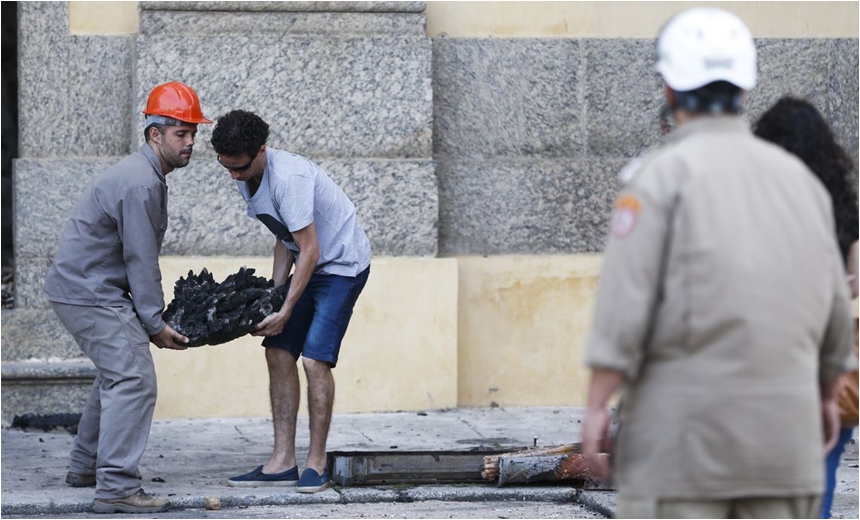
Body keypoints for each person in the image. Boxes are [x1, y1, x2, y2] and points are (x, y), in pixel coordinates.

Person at [580, 7, 856, 519]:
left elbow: (624, 306)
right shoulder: (801, 183)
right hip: (785, 445)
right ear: (745, 91)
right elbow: (834, 311)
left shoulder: (657, 179)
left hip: (685, 450)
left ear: (668, 89)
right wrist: (824, 391)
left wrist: (598, 404)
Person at [43, 82, 210, 514]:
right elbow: (140, 257)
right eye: (180, 132)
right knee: (134, 379)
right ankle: (116, 488)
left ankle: (86, 467)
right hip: (91, 292)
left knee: (117, 374)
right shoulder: (141, 184)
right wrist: (154, 324)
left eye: (193, 131)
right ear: (154, 134)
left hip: (84, 289)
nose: (191, 141)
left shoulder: (144, 175)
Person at [210, 110, 371, 493]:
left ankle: (316, 464)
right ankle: (282, 461)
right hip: (309, 262)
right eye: (226, 167)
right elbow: (285, 238)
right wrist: (273, 296)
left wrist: (285, 310)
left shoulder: (289, 179)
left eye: (240, 167)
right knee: (278, 351)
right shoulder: (245, 174)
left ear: (262, 151)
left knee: (315, 359)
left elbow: (311, 249)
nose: (234, 175)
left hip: (340, 266)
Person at [754, 97, 860, 519]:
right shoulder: (842, 207)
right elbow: (853, 285)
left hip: (769, 363)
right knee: (819, 490)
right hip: (831, 365)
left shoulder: (756, 206)